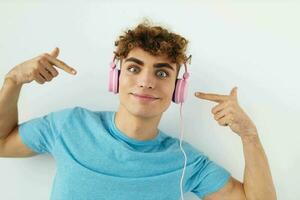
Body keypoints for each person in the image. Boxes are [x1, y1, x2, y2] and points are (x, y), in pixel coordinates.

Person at [0, 20, 276, 200]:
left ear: (177, 89)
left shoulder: (184, 161)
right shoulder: (69, 125)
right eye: (133, 68)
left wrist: (250, 137)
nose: (146, 81)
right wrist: (12, 81)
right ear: (115, 78)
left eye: (162, 73)